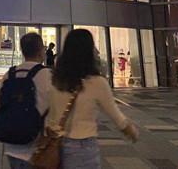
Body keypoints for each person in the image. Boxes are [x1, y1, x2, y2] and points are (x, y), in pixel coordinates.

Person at [46, 29, 138, 169]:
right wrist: (131, 131)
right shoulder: (96, 83)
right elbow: (116, 115)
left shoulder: (54, 79)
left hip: (53, 145)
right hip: (82, 147)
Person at [0, 32, 51, 169]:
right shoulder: (47, 75)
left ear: (23, 51)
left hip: (11, 147)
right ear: (41, 51)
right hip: (37, 150)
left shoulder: (9, 74)